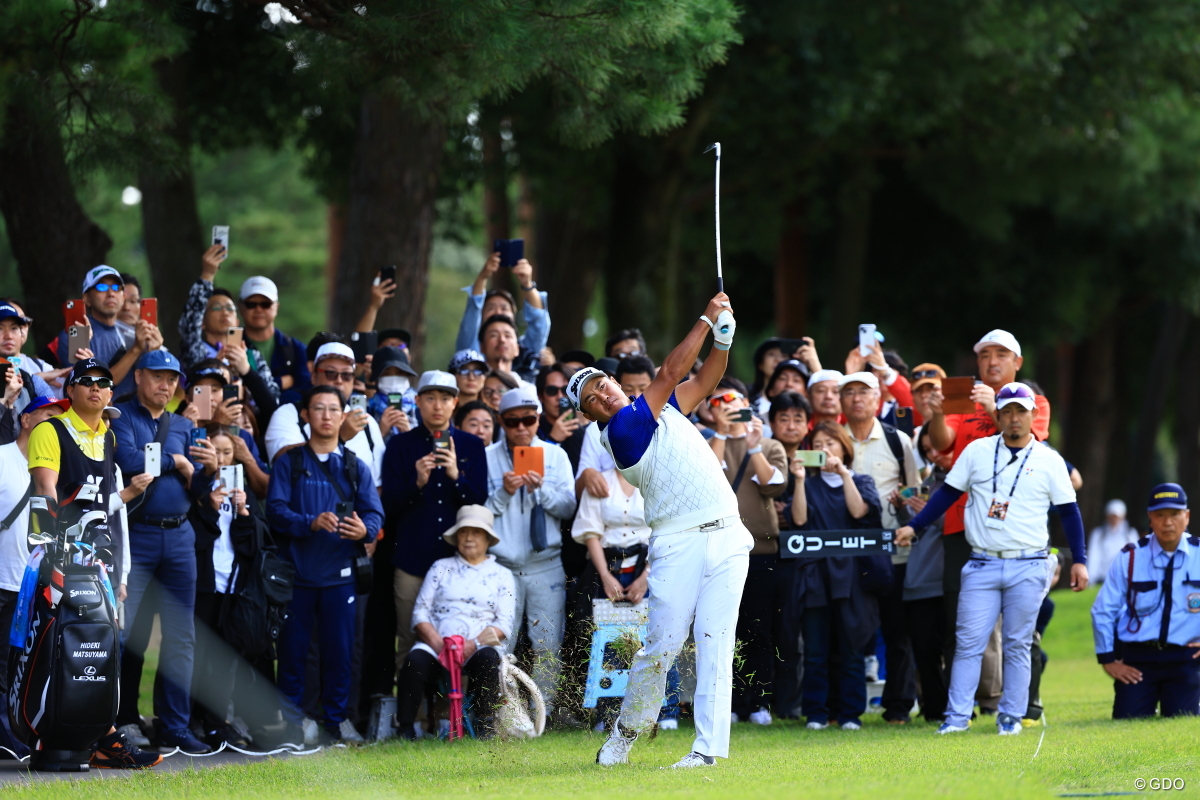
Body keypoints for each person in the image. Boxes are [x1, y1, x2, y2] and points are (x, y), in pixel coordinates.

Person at [571, 291, 751, 769]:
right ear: (590, 417)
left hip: (729, 533)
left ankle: (707, 752)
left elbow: (704, 381)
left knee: (716, 640)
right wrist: (706, 317)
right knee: (662, 647)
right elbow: (670, 373)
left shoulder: (661, 408)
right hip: (678, 541)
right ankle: (625, 735)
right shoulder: (622, 433)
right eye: (593, 400)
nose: (604, 394)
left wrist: (723, 341)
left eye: (603, 385)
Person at [896, 382, 1087, 736]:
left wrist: (1080, 559)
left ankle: (1010, 718)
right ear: (997, 416)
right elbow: (948, 494)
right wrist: (917, 525)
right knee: (968, 641)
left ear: (1033, 416)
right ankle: (956, 718)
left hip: (1029, 564)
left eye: (1021, 412)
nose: (1015, 419)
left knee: (1017, 643)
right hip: (982, 562)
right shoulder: (977, 451)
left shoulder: (1049, 459)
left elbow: (1069, 513)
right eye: (1008, 412)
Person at [27, 358, 162, 768]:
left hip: (97, 559)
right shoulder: (50, 429)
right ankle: (69, 733)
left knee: (99, 648)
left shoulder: (108, 435)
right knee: (57, 647)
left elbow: (102, 505)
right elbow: (45, 493)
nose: (96, 388)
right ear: (71, 391)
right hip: (57, 556)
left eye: (103, 383)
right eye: (85, 381)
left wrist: (110, 564)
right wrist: (52, 558)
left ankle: (101, 737)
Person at [923, 330, 1052, 680]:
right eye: (984, 355)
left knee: (1016, 621)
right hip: (961, 521)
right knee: (959, 616)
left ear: (1018, 362)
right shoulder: (963, 400)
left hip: (1015, 527)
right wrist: (937, 414)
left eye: (1001, 354)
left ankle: (1020, 702)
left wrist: (993, 405)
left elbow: (1028, 444)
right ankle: (960, 702)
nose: (992, 361)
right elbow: (942, 444)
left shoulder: (1035, 402)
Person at [267, 385, 385, 744]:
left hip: (341, 578)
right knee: (292, 655)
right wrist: (309, 522)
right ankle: (294, 724)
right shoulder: (289, 461)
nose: (326, 415)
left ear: (343, 415)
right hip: (298, 576)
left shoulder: (353, 465)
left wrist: (365, 529)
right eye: (318, 408)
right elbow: (274, 511)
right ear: (306, 415)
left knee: (341, 654)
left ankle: (337, 721)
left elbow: (375, 515)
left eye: (334, 409)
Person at [110, 350, 212, 755]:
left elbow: (200, 490)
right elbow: (131, 460)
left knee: (180, 637)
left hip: (180, 537)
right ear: (138, 377)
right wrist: (178, 460)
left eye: (172, 378)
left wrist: (203, 470)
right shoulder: (120, 416)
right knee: (122, 632)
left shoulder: (186, 423)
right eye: (157, 376)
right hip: (137, 537)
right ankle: (116, 724)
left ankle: (174, 727)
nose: (166, 385)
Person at [380, 371, 488, 690]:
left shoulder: (470, 444)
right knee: (409, 637)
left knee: (460, 635)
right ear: (417, 402)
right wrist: (417, 483)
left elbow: (479, 501)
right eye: (430, 398)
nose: (437, 406)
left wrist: (456, 475)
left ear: (456, 403)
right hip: (412, 558)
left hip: (459, 561)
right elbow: (389, 507)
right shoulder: (400, 446)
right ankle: (409, 718)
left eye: (444, 398)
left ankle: (448, 717)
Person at [484, 385, 576, 714]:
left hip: (545, 562)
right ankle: (502, 710)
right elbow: (477, 515)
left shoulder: (556, 455)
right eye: (513, 421)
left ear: (539, 419)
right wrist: (504, 494)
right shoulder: (487, 457)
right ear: (501, 420)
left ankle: (544, 711)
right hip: (501, 564)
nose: (522, 428)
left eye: (529, 419)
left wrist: (541, 491)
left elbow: (568, 508)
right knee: (501, 642)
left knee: (548, 642)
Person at [787, 422, 883, 731]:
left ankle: (850, 713)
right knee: (815, 649)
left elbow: (859, 512)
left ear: (844, 447)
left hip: (852, 576)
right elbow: (799, 519)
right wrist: (799, 480)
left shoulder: (861, 480)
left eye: (831, 442)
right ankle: (816, 712)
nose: (824, 449)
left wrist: (844, 474)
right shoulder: (807, 484)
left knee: (852, 647)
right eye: (818, 443)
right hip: (815, 575)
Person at [840, 370, 920, 723]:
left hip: (892, 548)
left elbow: (916, 490)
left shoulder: (897, 439)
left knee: (897, 629)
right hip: (843, 550)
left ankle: (899, 706)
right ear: (842, 401)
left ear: (878, 400)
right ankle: (846, 706)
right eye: (850, 393)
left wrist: (901, 499)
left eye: (864, 392)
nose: (857, 398)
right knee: (849, 630)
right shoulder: (831, 438)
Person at [396, 505, 515, 739]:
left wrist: (471, 644)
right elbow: (420, 612)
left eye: (476, 532)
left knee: (489, 659)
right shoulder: (440, 567)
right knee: (414, 661)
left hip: (477, 646)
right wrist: (439, 644)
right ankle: (405, 729)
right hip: (438, 645)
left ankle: (485, 726)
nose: (469, 538)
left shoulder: (502, 574)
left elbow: (504, 624)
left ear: (488, 538)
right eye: (463, 532)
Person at [707, 385, 788, 726]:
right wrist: (722, 433)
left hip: (761, 550)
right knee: (722, 630)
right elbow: (705, 476)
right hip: (717, 552)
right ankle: (728, 702)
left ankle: (759, 702)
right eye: (719, 403)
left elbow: (773, 485)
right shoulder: (705, 442)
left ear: (747, 405)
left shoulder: (769, 444)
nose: (728, 408)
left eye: (734, 401)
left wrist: (752, 443)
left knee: (758, 629)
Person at [187, 425, 272, 747]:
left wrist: (245, 511)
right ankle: (189, 719)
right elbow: (196, 536)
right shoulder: (199, 487)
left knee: (225, 657)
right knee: (198, 653)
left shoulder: (243, 492)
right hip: (204, 584)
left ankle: (216, 720)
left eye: (228, 453)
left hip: (235, 586)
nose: (222, 459)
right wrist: (209, 505)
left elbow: (253, 545)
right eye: (216, 452)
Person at [1091, 484, 1200, 719]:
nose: (1167, 522)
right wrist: (1108, 659)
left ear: (1187, 516)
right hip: (1138, 661)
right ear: (1150, 518)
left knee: (1182, 723)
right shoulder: (1130, 557)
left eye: (1174, 515)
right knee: (1127, 721)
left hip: (1185, 660)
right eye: (1160, 515)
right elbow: (1102, 610)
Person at [265, 342, 385, 486]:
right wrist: (339, 437)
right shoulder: (287, 414)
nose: (339, 381)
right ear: (314, 376)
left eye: (347, 375)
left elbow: (377, 487)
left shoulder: (367, 422)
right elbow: (282, 461)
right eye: (331, 373)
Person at [177, 246, 280, 400]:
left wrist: (246, 372)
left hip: (245, 423)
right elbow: (188, 325)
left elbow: (273, 401)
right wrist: (207, 275)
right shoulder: (196, 352)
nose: (225, 312)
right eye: (217, 308)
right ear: (202, 322)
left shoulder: (251, 356)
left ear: (237, 322)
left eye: (230, 309)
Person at [899, 425, 952, 722]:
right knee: (923, 650)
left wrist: (929, 514)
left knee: (955, 649)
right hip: (918, 580)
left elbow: (962, 528)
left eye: (940, 448)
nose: (935, 455)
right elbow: (908, 531)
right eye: (928, 450)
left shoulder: (969, 481)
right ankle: (934, 710)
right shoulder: (922, 483)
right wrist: (902, 508)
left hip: (951, 580)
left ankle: (959, 708)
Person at [55, 265, 164, 395]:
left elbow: (151, 388)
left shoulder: (134, 333)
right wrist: (135, 349)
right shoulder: (76, 335)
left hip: (133, 413)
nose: (111, 293)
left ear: (123, 296)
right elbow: (85, 388)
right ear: (86, 298)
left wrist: (153, 354)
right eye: (102, 287)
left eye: (116, 288)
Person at [454, 253, 549, 356]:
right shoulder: (471, 352)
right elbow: (471, 317)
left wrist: (527, 284)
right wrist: (483, 277)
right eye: (491, 309)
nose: (498, 313)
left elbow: (539, 325)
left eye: (504, 309)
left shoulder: (523, 356)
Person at [239, 275, 310, 398]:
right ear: (240, 307)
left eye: (265, 304)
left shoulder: (295, 348)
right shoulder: (230, 345)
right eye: (251, 304)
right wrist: (280, 382)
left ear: (276, 307)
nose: (258, 309)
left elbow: (305, 387)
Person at [0, 302, 57, 425]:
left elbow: (54, 423)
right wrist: (4, 399)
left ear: (22, 334)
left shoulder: (33, 382)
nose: (8, 336)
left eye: (14, 328)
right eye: (0, 328)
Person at [537, 363, 585, 469]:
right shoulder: (531, 425)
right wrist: (552, 440)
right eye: (551, 391)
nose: (559, 397)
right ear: (540, 396)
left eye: (565, 390)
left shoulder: (589, 428)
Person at [364, 346, 417, 437]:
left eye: (399, 373)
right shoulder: (367, 409)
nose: (394, 378)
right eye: (386, 373)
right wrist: (380, 433)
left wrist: (409, 435)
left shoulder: (420, 407)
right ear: (377, 378)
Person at [1088, 499, 1139, 584]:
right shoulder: (1098, 534)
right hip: (1102, 579)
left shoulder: (1131, 534)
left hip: (1124, 580)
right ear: (1106, 516)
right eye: (1112, 515)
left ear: (1123, 516)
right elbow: (1094, 557)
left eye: (1117, 516)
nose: (1114, 519)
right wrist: (1091, 579)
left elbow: (1135, 557)